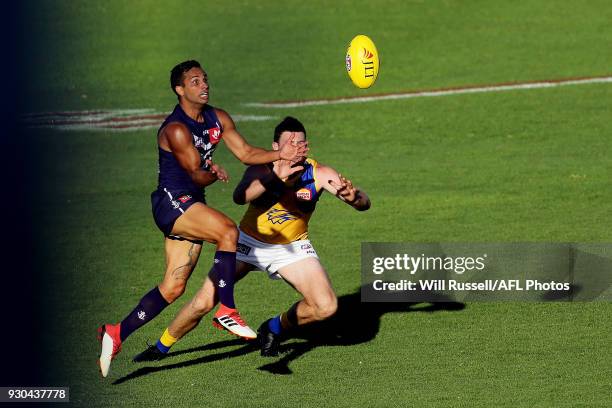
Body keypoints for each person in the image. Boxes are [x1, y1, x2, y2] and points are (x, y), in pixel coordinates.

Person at [97, 61, 308, 377]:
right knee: (227, 230)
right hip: (173, 202)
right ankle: (227, 309)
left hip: (192, 203)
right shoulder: (176, 129)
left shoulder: (218, 117)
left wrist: (281, 155)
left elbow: (247, 153)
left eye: (204, 79)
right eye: (194, 81)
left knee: (173, 286)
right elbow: (195, 174)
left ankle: (116, 333)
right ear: (180, 90)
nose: (203, 85)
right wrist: (212, 173)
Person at [132, 116, 370, 362]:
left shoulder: (319, 173)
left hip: (292, 248)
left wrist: (354, 197)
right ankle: (161, 347)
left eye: (301, 143)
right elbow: (240, 196)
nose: (296, 148)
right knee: (203, 302)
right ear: (276, 147)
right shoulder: (260, 169)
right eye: (290, 143)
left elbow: (364, 204)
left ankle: (275, 328)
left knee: (326, 306)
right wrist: (276, 176)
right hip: (248, 244)